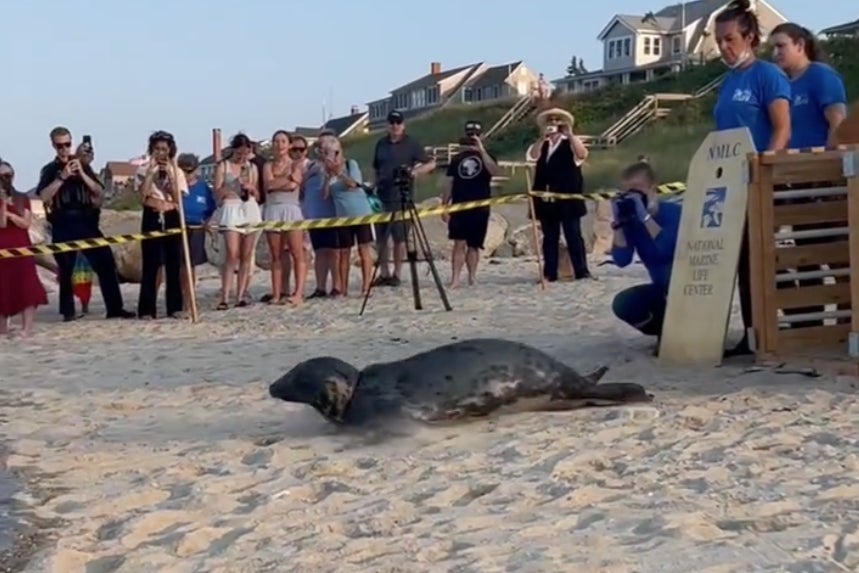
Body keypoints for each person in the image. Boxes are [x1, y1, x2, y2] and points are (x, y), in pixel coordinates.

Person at [713, 0, 791, 357]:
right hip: (730, 183)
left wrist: (764, 171)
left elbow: (782, 129)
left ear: (750, 38)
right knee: (741, 260)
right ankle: (750, 332)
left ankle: (785, 328)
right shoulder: (729, 81)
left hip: (759, 181)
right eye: (719, 41)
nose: (724, 48)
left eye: (730, 39)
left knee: (765, 259)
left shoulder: (767, 76)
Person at [36, 126, 134, 321]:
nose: (64, 149)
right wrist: (62, 177)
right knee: (66, 269)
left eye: (67, 144)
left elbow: (99, 193)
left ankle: (115, 308)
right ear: (53, 146)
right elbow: (44, 196)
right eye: (60, 146)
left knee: (105, 262)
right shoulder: (50, 170)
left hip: (86, 220)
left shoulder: (83, 166)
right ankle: (68, 312)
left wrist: (81, 172)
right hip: (63, 220)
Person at [610, 162, 682, 352]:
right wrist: (619, 224)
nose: (633, 199)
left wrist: (646, 217)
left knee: (669, 274)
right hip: (662, 289)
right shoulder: (633, 223)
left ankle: (681, 328)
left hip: (688, 287)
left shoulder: (673, 213)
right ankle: (664, 331)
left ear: (652, 190)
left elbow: (667, 249)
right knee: (624, 304)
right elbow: (622, 260)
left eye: (637, 193)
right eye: (627, 194)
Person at [371, 110, 436, 287]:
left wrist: (414, 172)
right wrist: (372, 186)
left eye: (398, 123)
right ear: (387, 125)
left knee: (399, 238)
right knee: (381, 239)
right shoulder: (381, 143)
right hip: (381, 196)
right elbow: (376, 168)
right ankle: (384, 273)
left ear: (403, 125)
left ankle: (397, 274)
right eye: (391, 122)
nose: (395, 126)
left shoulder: (411, 144)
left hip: (401, 197)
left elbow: (431, 163)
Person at [528, 108, 592, 282]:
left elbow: (582, 155)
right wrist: (542, 138)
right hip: (546, 198)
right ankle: (550, 272)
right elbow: (533, 156)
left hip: (568, 197)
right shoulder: (543, 144)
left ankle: (581, 270)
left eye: (557, 120)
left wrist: (570, 135)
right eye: (550, 120)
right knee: (550, 237)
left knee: (573, 235)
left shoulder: (570, 142)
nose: (553, 123)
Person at [441, 120, 500, 287]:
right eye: (469, 135)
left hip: (480, 206)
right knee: (458, 243)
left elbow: (495, 171)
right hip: (459, 204)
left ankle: (472, 277)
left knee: (474, 245)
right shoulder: (457, 159)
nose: (472, 138)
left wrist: (481, 150)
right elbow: (449, 182)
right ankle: (455, 279)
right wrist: (444, 205)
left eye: (475, 135)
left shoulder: (488, 156)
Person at [136, 131, 187, 320]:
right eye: (157, 149)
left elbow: (179, 198)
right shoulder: (142, 170)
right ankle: (147, 309)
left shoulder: (177, 171)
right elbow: (142, 196)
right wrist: (151, 173)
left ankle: (174, 307)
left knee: (173, 263)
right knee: (151, 264)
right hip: (152, 215)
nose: (160, 153)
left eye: (164, 149)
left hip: (171, 214)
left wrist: (170, 179)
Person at [771, 23, 847, 149]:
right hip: (789, 163)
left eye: (780, 46)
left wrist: (829, 158)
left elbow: (837, 123)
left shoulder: (821, 75)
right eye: (773, 47)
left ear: (800, 45)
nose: (775, 53)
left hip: (818, 162)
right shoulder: (780, 83)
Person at [321, 135, 374, 297]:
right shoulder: (327, 172)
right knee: (344, 252)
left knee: (364, 249)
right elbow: (325, 195)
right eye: (328, 153)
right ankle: (343, 288)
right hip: (343, 216)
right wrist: (329, 176)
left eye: (335, 152)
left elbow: (353, 184)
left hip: (360, 212)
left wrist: (339, 172)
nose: (332, 156)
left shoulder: (351, 164)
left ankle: (366, 287)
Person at [213, 133, 262, 309]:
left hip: (249, 207)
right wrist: (231, 186)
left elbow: (258, 194)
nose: (242, 157)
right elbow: (217, 193)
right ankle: (225, 296)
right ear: (234, 150)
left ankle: (241, 294)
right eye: (239, 153)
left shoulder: (252, 167)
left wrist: (251, 188)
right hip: (230, 206)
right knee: (232, 254)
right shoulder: (223, 166)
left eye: (245, 153)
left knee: (246, 255)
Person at [0, 161, 48, 337]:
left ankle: (26, 328)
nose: (6, 179)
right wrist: (3, 204)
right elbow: (1, 224)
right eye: (3, 176)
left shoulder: (21, 198)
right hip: (2, 246)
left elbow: (25, 223)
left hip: (20, 244)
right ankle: (3, 327)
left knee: (27, 284)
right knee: (3, 286)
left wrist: (11, 214)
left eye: (8, 175)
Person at [262, 130, 306, 306]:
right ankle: (277, 292)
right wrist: (286, 180)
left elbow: (293, 186)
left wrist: (283, 181)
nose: (279, 145)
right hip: (273, 209)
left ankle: (298, 292)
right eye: (276, 141)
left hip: (291, 208)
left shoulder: (296, 164)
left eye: (282, 141)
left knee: (297, 252)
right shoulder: (268, 165)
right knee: (276, 254)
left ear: (288, 145)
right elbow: (269, 185)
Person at [301, 134, 342, 298]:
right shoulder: (312, 166)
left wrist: (330, 166)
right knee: (320, 251)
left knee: (333, 251)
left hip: (330, 213)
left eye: (326, 150)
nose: (322, 153)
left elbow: (333, 184)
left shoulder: (336, 165)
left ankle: (337, 285)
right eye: (320, 149)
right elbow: (303, 187)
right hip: (314, 214)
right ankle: (320, 286)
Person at [177, 153, 217, 312]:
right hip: (178, 227)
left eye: (189, 171)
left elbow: (211, 208)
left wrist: (206, 222)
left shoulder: (202, 188)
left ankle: (189, 300)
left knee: (190, 266)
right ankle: (179, 300)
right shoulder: (176, 186)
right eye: (183, 171)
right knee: (178, 267)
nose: (186, 175)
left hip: (196, 229)